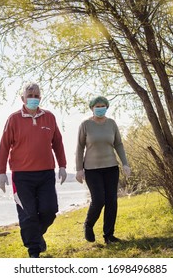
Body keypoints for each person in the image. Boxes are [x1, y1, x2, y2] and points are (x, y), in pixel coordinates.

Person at [0, 82, 67, 258]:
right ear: (23, 98)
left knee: (49, 211)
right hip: (21, 177)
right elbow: (4, 146)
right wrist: (1, 173)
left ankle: (36, 236)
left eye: (36, 96)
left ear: (40, 97)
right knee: (28, 215)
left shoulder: (49, 117)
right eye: (30, 96)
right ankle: (34, 251)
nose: (33, 99)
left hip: (46, 174)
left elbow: (57, 142)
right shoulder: (13, 119)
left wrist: (63, 165)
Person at [75, 95, 131, 244]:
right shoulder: (85, 125)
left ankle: (109, 236)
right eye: (97, 106)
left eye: (102, 106)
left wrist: (125, 163)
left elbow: (118, 144)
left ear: (106, 107)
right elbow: (80, 147)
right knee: (98, 200)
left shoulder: (112, 124)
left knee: (112, 201)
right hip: (92, 169)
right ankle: (88, 225)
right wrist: (79, 169)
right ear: (92, 108)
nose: (100, 108)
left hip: (111, 167)